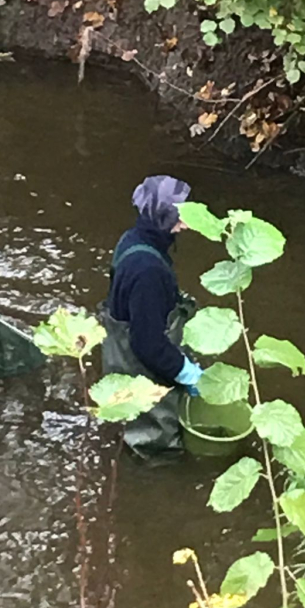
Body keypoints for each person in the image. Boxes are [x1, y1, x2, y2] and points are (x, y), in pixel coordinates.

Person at [99, 175, 204, 458]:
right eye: (178, 218)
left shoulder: (131, 240)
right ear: (160, 218)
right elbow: (147, 344)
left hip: (119, 351)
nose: (184, 225)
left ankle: (120, 440)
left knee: (125, 418)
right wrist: (187, 373)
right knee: (155, 447)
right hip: (140, 365)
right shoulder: (149, 271)